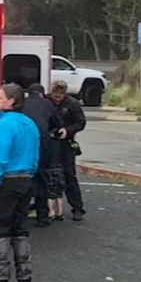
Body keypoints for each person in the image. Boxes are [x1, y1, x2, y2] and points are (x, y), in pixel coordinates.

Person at [0, 83, 40, 282]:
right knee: (20, 229)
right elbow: (35, 157)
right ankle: (25, 281)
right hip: (27, 179)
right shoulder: (29, 123)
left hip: (7, 181)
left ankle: (1, 280)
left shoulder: (5, 124)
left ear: (11, 101)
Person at [22, 84, 64, 227]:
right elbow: (57, 123)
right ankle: (43, 216)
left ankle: (21, 214)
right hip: (43, 142)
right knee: (41, 178)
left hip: (25, 142)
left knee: (25, 177)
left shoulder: (22, 103)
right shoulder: (47, 104)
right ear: (41, 93)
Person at [50, 80, 87, 222]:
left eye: (59, 96)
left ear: (64, 94)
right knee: (47, 174)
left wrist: (68, 130)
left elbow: (80, 123)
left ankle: (77, 208)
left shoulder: (72, 104)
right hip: (51, 141)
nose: (56, 98)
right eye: (55, 95)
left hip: (66, 142)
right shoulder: (47, 101)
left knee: (69, 175)